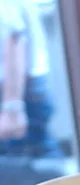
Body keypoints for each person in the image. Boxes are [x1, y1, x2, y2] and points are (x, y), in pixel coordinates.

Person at [0, 0, 55, 158]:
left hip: (18, 90)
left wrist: (12, 107)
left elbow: (14, 38)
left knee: (32, 158)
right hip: (21, 88)